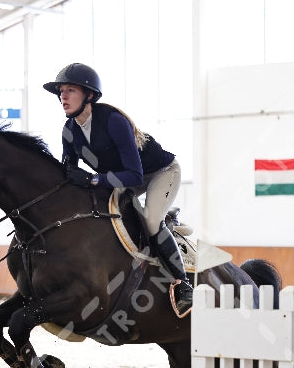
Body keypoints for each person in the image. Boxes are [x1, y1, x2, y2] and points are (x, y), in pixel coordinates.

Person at [43, 63, 192, 317]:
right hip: (123, 179)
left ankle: (184, 285)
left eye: (70, 90)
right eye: (60, 92)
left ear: (89, 95)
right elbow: (68, 172)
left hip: (160, 173)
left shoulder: (113, 121)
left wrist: (92, 180)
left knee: (151, 221)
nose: (62, 97)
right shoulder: (69, 131)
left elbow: (134, 175)